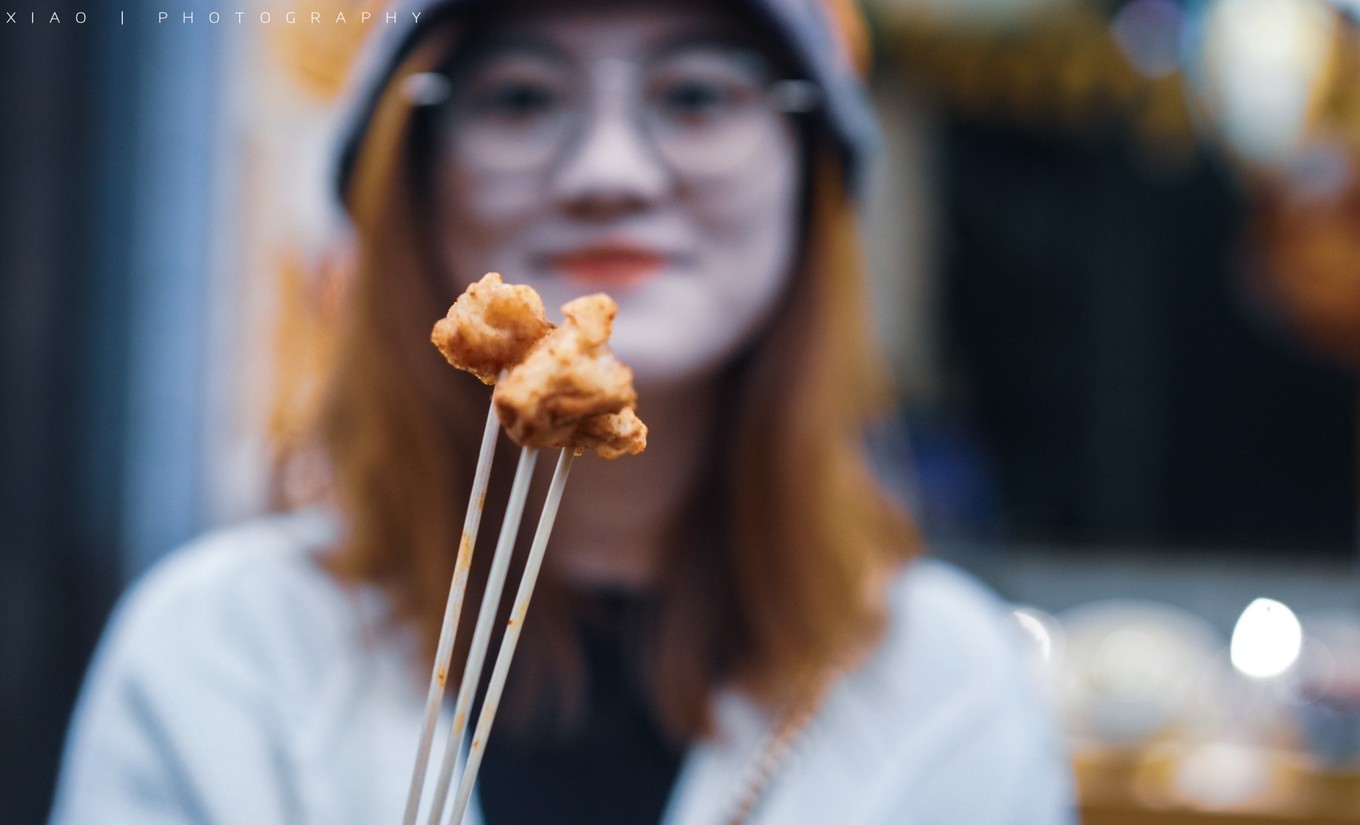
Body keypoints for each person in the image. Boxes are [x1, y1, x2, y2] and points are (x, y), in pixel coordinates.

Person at [50, 0, 1075, 823]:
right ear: (412, 171)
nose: (608, 174)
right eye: (522, 96)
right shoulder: (223, 661)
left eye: (697, 94)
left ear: (809, 172)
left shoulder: (949, 694)